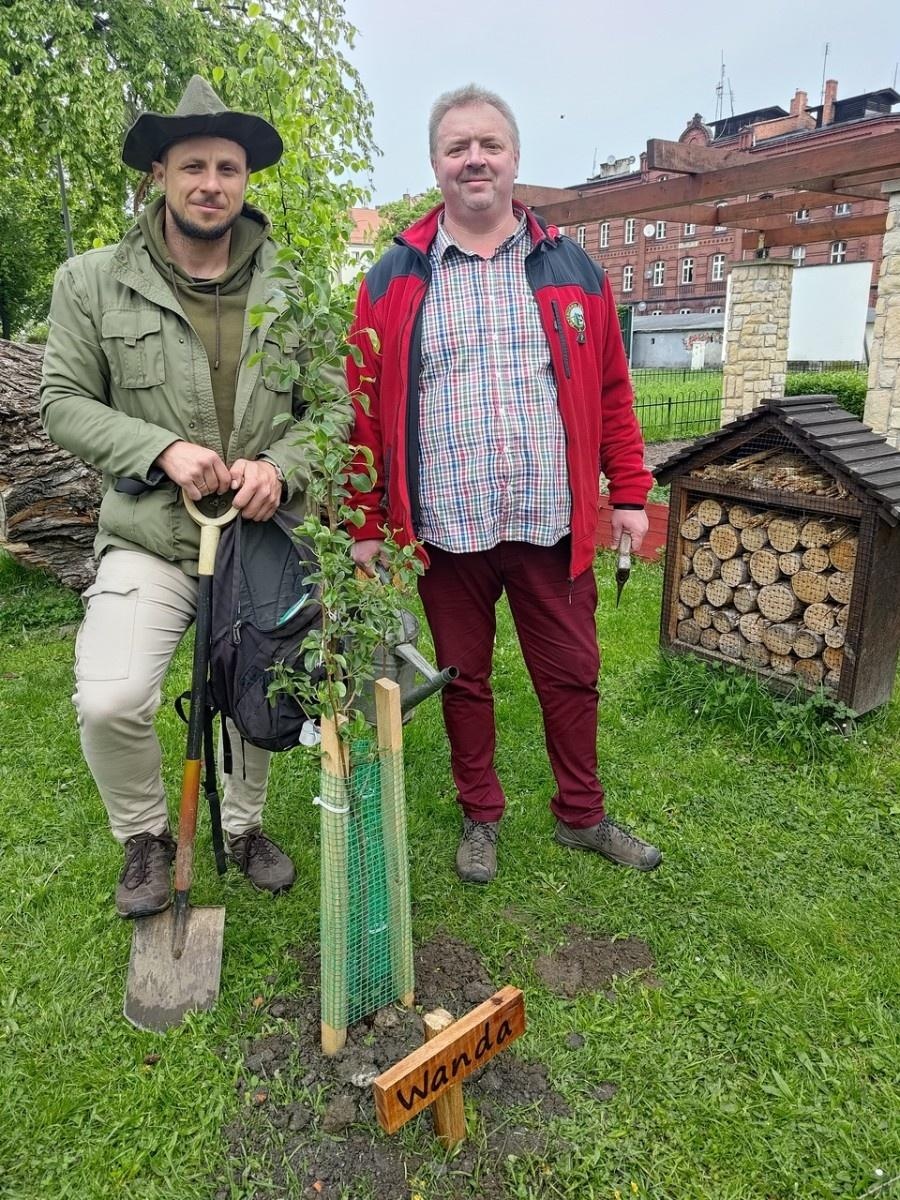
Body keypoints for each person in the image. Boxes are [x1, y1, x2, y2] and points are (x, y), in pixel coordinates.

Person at [41, 77, 348, 917]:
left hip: (261, 538)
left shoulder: (296, 288)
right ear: (161, 176)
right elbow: (62, 400)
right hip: (148, 533)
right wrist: (161, 449)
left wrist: (280, 468)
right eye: (193, 166)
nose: (212, 182)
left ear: (246, 180)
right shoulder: (91, 281)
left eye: (229, 167)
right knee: (111, 699)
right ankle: (146, 835)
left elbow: (333, 412)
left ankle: (244, 826)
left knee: (258, 691)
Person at [346, 84, 661, 885]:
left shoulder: (572, 267)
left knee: (572, 672)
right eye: (458, 147)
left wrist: (628, 492)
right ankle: (480, 815)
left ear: (515, 159)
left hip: (549, 521)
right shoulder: (392, 279)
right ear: (436, 164)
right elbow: (363, 416)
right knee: (464, 678)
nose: (475, 159)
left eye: (489, 145)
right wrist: (363, 523)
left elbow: (613, 391)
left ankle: (581, 815)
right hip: (447, 527)